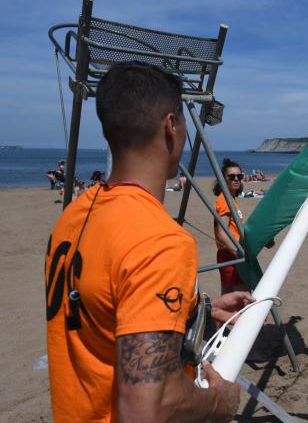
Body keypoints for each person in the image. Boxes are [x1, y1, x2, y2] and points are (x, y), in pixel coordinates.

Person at [44, 61, 250, 422]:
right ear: (171, 125)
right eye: (184, 123)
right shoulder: (159, 240)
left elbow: (103, 302)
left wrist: (197, 306)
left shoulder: (74, 216)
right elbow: (151, 408)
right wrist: (222, 402)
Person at [214, 159, 248, 294]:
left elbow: (234, 229)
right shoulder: (224, 200)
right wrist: (239, 254)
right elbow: (222, 233)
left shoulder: (230, 199)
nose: (236, 179)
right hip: (230, 254)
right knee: (244, 299)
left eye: (239, 176)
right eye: (231, 176)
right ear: (223, 179)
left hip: (230, 254)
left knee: (228, 299)